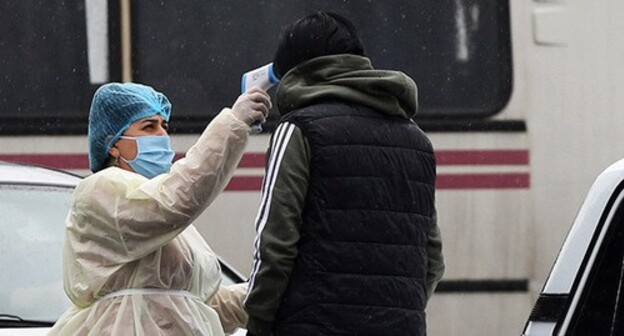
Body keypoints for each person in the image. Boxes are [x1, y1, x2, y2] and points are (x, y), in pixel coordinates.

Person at [243, 11, 445, 336]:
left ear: (294, 70)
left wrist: (258, 323)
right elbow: (432, 260)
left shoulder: (297, 129)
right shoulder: (415, 139)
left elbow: (274, 248)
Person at [48, 82, 271, 335]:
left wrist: (263, 294)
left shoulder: (162, 209)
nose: (162, 135)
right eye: (148, 127)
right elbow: (177, 200)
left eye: (164, 126)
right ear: (113, 144)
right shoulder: (101, 189)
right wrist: (232, 125)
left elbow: (193, 301)